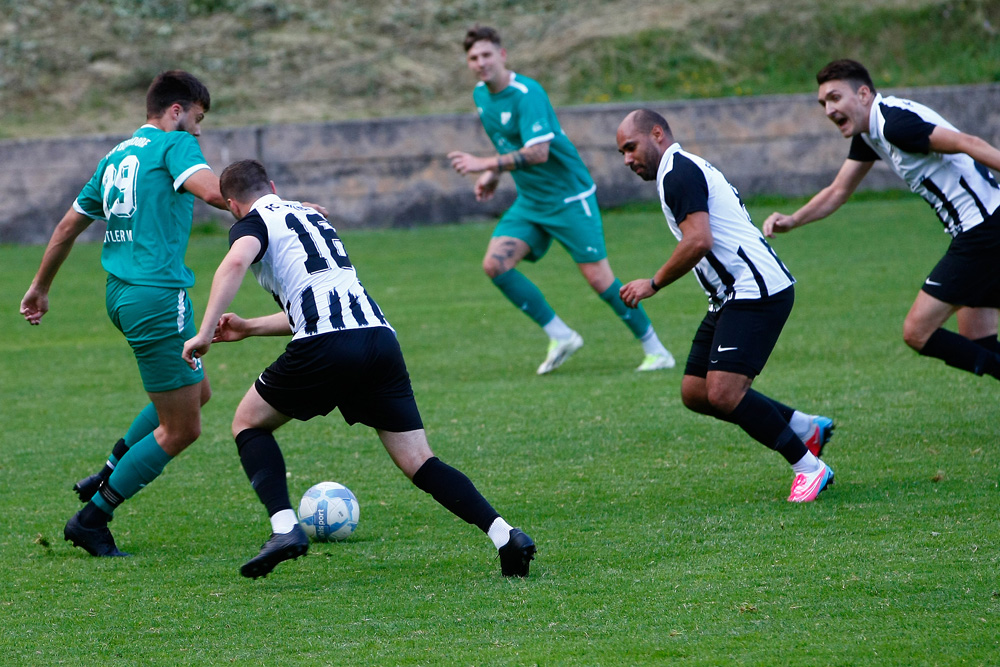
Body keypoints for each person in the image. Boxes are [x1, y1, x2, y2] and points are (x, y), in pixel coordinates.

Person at [182, 159, 536, 579]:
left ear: (231, 205)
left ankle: (284, 528)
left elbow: (235, 264)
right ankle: (505, 535)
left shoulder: (250, 223)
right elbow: (314, 302)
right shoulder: (309, 214)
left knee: (247, 424)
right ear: (273, 186)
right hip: (379, 338)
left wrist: (205, 331)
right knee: (419, 459)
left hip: (328, 343)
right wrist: (249, 327)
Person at [20, 70, 230, 557]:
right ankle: (93, 518)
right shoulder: (173, 146)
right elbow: (217, 193)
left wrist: (40, 287)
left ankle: (111, 468)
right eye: (197, 119)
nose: (198, 132)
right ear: (176, 111)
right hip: (157, 298)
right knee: (182, 428)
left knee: (198, 392)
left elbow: (68, 226)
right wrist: (281, 206)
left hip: (121, 294)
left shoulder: (116, 156)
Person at [616, 109, 835, 502]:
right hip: (730, 295)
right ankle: (805, 428)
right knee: (696, 391)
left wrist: (653, 283)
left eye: (631, 147)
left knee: (724, 392)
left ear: (657, 133)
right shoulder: (678, 169)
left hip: (755, 289)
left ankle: (808, 466)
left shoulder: (677, 171)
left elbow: (698, 240)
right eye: (621, 153)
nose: (628, 159)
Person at [447, 25, 675, 375]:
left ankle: (657, 351)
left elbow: (538, 152)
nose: (480, 63)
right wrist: (494, 175)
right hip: (532, 201)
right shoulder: (481, 96)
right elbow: (507, 142)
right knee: (495, 265)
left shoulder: (527, 93)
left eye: (486, 55)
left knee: (600, 280)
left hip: (570, 198)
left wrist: (485, 165)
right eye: (473, 58)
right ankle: (561, 336)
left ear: (502, 54)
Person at [763, 59, 1000, 381]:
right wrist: (793, 220)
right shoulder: (870, 133)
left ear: (863, 94)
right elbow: (838, 191)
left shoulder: (894, 124)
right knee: (977, 340)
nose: (828, 110)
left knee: (918, 331)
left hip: (984, 229)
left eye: (835, 98)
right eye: (823, 103)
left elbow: (968, 143)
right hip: (982, 230)